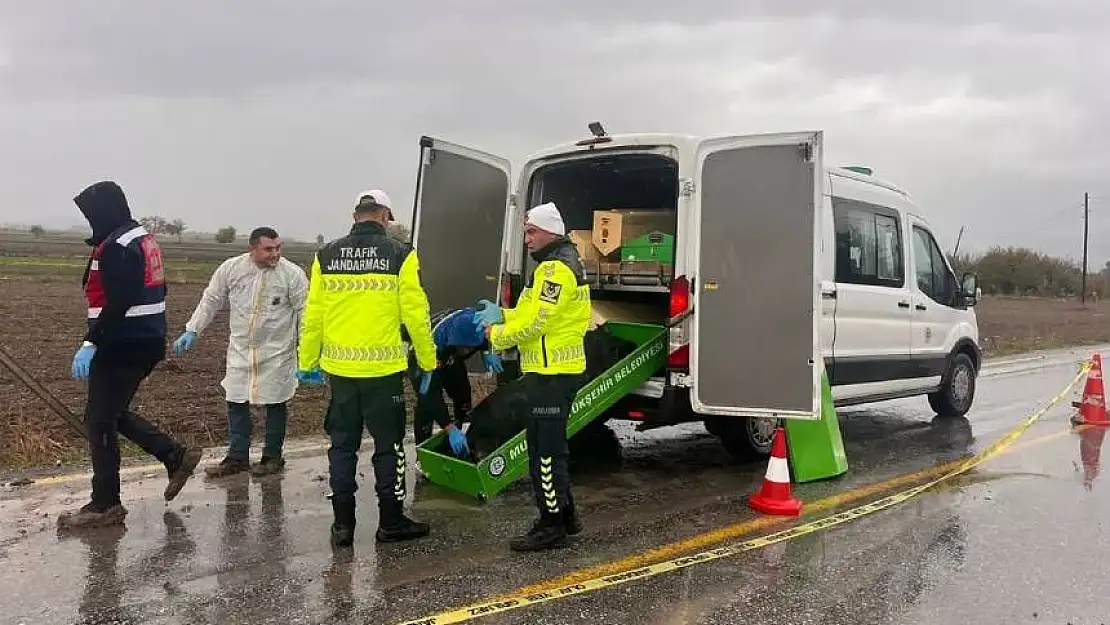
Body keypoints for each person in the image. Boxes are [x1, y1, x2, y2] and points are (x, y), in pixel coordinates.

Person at [297, 189, 438, 547]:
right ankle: (391, 521)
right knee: (388, 448)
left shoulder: (326, 254)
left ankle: (342, 526)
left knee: (342, 448)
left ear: (356, 214)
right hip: (384, 372)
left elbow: (314, 315)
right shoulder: (401, 253)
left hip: (341, 373)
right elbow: (416, 315)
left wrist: (307, 361)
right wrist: (427, 360)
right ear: (385, 216)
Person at [59, 180, 202, 530]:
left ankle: (105, 503)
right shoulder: (139, 237)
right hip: (143, 340)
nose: (90, 221)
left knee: (99, 420)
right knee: (107, 413)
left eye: (91, 214)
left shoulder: (117, 246)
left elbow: (120, 299)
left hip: (122, 344)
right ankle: (173, 455)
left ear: (104, 210)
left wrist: (92, 341)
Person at [473, 201, 591, 552]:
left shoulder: (556, 271)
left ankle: (550, 524)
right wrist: (503, 315)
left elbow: (539, 322)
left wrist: (496, 336)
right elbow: (527, 313)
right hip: (549, 371)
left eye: (531, 232)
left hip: (552, 375)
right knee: (550, 448)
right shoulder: (548, 268)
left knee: (544, 453)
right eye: (525, 232)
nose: (526, 239)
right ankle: (565, 516)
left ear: (550, 232)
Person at [171, 227, 309, 478]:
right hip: (241, 350)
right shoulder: (231, 269)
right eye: (268, 249)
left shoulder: (292, 275)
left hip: (277, 352)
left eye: (278, 248)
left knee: (276, 401)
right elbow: (211, 299)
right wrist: (192, 330)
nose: (275, 254)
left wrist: (308, 352)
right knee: (235, 399)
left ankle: (272, 456)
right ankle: (237, 457)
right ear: (252, 248)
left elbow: (305, 313)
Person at [408, 306, 504, 454]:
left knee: (463, 395)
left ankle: (464, 439)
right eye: (464, 349)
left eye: (470, 348)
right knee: (426, 408)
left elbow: (483, 334)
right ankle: (422, 454)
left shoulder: (473, 322)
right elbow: (429, 396)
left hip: (450, 356)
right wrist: (449, 428)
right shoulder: (428, 351)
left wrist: (486, 352)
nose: (467, 352)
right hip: (426, 362)